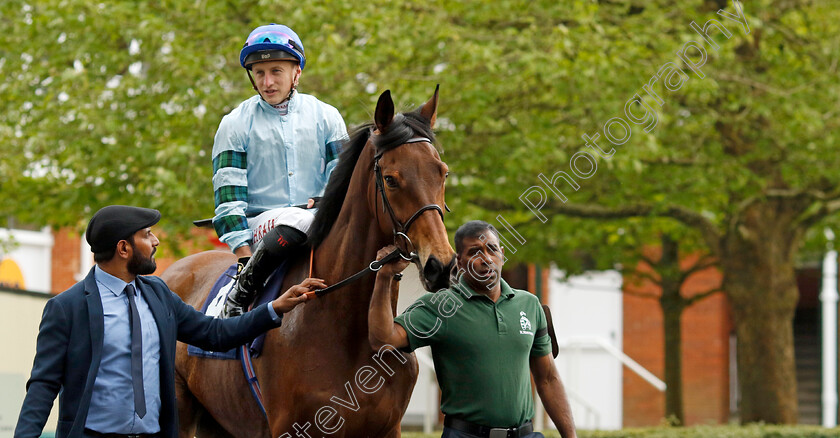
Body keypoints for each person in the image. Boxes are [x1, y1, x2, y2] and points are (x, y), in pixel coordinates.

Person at [15, 205, 325, 438]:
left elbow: (214, 333)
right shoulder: (66, 308)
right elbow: (43, 385)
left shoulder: (158, 294)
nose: (156, 241)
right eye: (146, 235)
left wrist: (275, 307)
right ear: (124, 248)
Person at [368, 220, 578, 438]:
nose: (486, 258)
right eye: (475, 252)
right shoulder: (441, 307)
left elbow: (548, 379)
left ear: (502, 254)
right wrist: (384, 277)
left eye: (492, 249)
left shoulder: (530, 305)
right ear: (460, 261)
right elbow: (383, 340)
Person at [212, 23, 348, 318]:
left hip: (318, 220)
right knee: (298, 218)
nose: (267, 81)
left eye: (276, 71)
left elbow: (342, 179)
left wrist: (327, 202)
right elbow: (228, 197)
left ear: (296, 73)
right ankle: (240, 293)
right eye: (259, 73)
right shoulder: (234, 123)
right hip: (262, 224)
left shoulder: (327, 116)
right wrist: (243, 254)